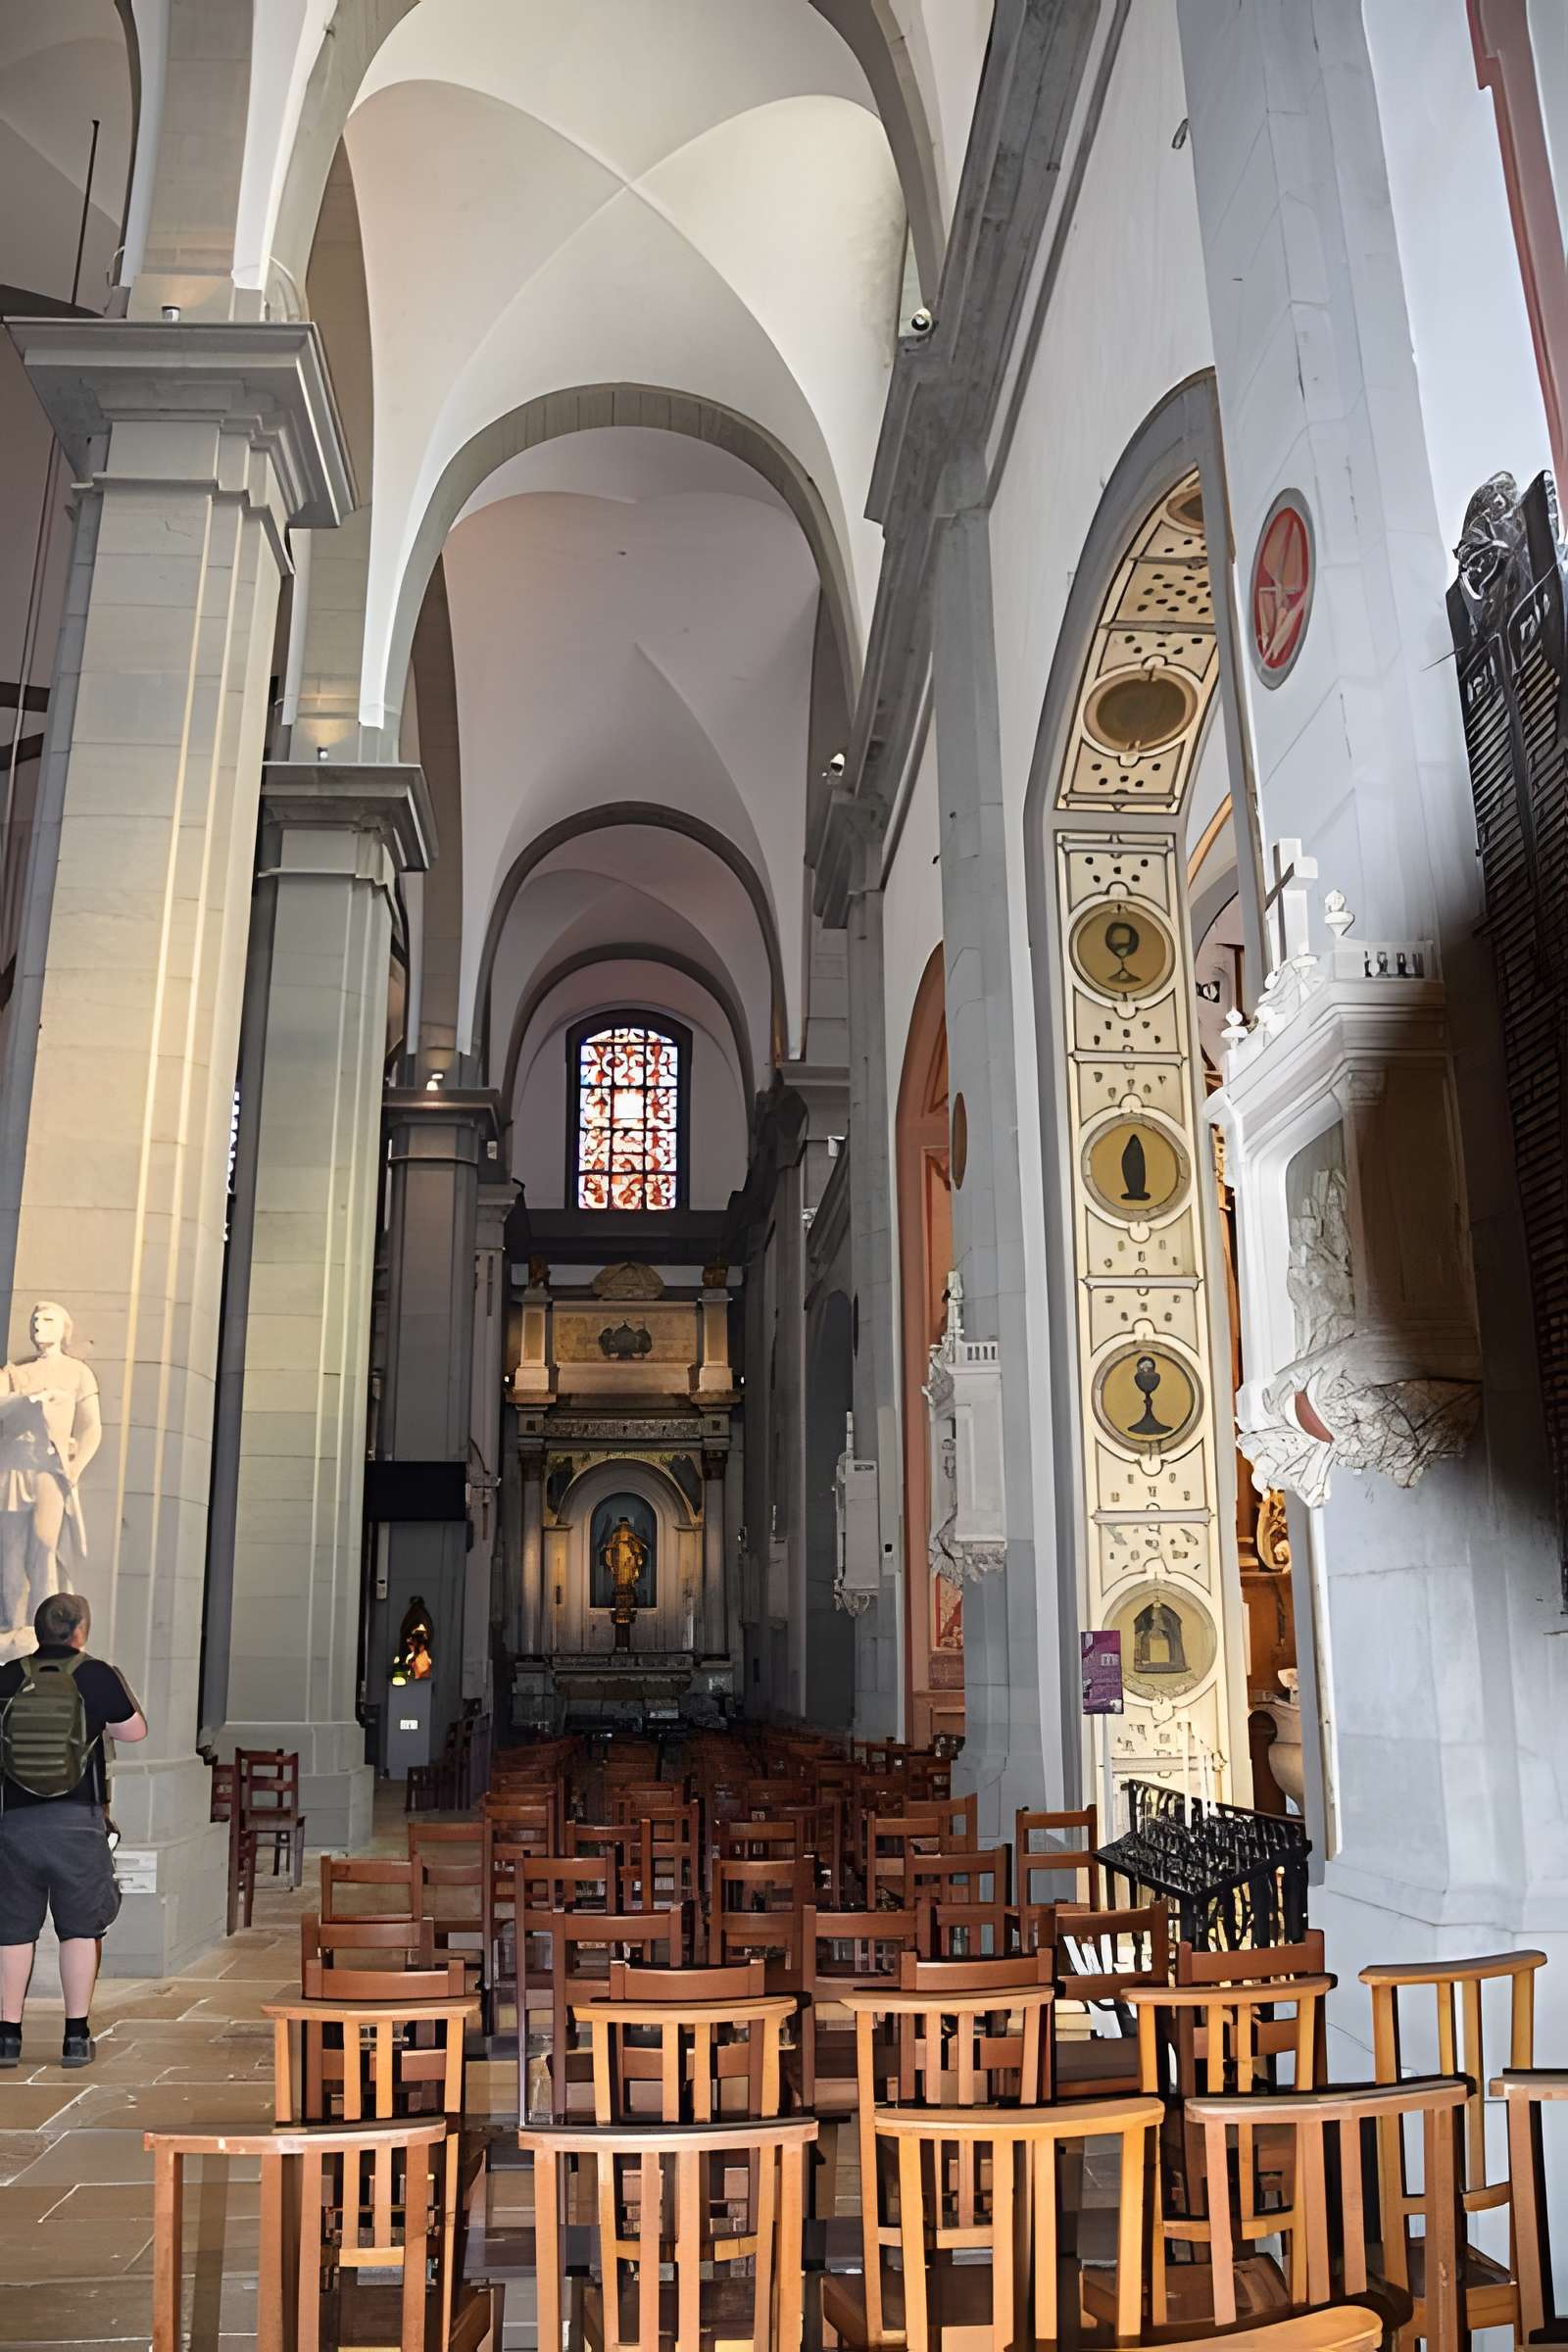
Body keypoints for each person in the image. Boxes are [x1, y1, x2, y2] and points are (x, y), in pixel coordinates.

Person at [0, 1592, 146, 2067]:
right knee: (80, 1930)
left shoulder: (6, 1676)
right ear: (79, 1631)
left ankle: (7, 2037)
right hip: (77, 1822)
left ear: (38, 1631)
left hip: (14, 1822)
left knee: (13, 1931)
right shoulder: (96, 1674)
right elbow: (134, 1731)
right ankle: (76, 2036)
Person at [0, 1301, 102, 1658]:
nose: (39, 1326)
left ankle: (43, 1628)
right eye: (35, 1320)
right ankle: (10, 1623)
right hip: (12, 1467)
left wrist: (75, 1468)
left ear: (63, 1329)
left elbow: (91, 1429)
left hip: (49, 1468)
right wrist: (26, 1401)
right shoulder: (14, 1373)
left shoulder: (77, 1373)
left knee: (44, 1547)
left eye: (48, 1320)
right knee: (9, 1549)